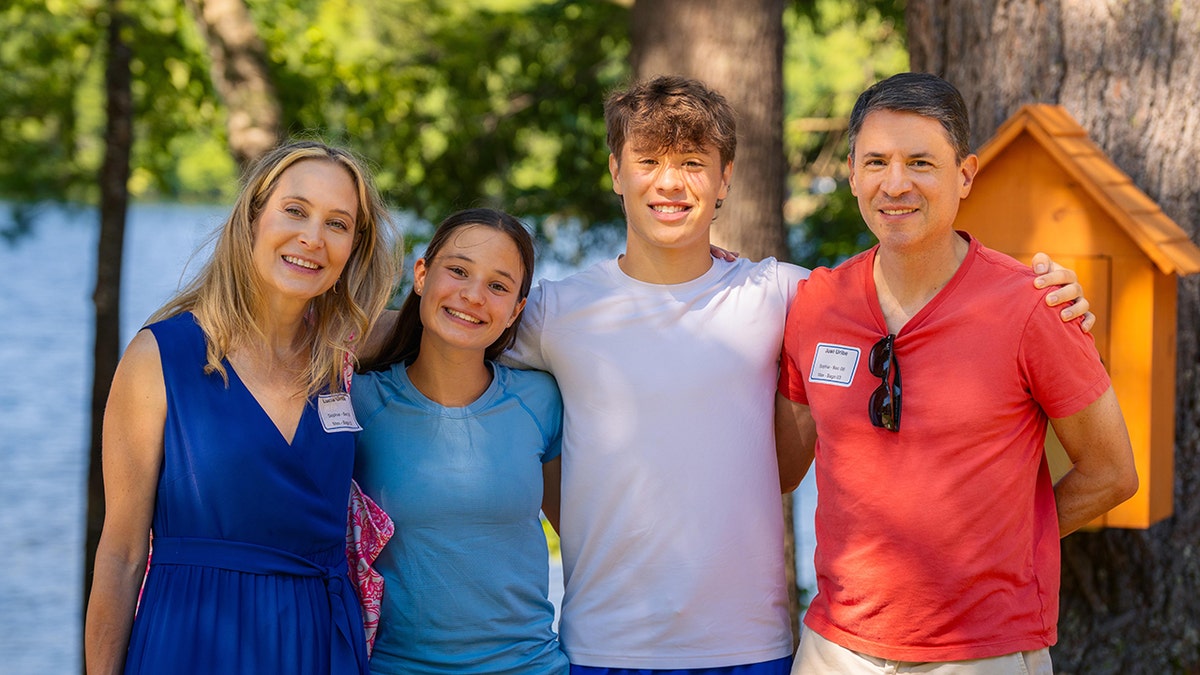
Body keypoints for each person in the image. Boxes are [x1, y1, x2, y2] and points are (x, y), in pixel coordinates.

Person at [500, 75, 1093, 674]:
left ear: (726, 177)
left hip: (750, 645)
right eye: (648, 160)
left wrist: (1052, 293)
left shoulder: (787, 294)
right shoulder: (556, 310)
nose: (670, 181)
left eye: (693, 163)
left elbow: (902, 293)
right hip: (600, 643)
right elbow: (452, 348)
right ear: (615, 172)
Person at [775, 72, 1139, 674]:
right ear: (851, 173)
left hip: (984, 654)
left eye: (921, 161)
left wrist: (1006, 542)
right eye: (876, 162)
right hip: (834, 650)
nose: (896, 184)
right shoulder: (816, 304)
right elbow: (784, 469)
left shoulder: (1032, 307)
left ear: (965, 174)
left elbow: (1111, 472)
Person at [84, 140, 400, 675]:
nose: (312, 238)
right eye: (295, 210)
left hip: (318, 644)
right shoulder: (159, 358)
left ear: (354, 247)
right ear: (253, 216)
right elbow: (121, 556)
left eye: (338, 224)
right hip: (191, 644)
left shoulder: (345, 350)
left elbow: (451, 320)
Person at [351, 208, 569, 674]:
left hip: (529, 666)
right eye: (458, 271)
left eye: (497, 286)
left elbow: (584, 538)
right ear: (422, 275)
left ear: (516, 310)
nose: (472, 296)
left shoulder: (541, 400)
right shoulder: (359, 402)